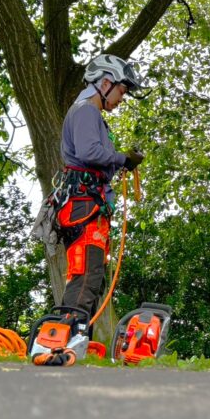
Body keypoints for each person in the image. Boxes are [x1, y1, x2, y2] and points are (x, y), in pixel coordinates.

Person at [53, 54, 146, 319]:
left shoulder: (91, 113)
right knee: (86, 272)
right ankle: (66, 334)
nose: (122, 98)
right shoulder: (86, 110)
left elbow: (94, 158)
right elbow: (89, 151)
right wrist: (122, 158)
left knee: (92, 274)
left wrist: (121, 162)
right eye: (122, 91)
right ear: (106, 83)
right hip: (84, 203)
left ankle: (78, 335)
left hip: (88, 202)